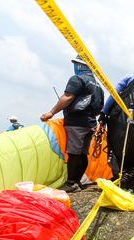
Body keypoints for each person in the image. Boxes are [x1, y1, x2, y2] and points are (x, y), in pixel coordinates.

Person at [40, 55, 104, 193]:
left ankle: (70, 184)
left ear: (81, 66)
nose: (74, 66)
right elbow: (100, 109)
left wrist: (51, 113)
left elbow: (68, 97)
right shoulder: (98, 86)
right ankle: (78, 182)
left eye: (76, 64)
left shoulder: (77, 79)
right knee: (83, 154)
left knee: (73, 153)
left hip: (76, 123)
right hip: (91, 124)